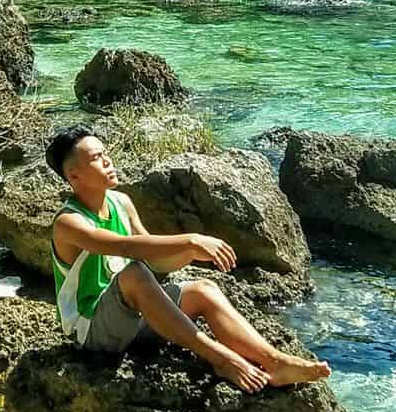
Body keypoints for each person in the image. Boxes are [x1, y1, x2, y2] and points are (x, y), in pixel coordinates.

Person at [46, 124, 332, 393]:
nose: (109, 161)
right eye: (98, 158)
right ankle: (221, 359)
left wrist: (189, 254)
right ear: (74, 176)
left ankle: (275, 362)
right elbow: (127, 247)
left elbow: (153, 263)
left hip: (132, 321)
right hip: (92, 333)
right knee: (133, 273)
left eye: (106, 153)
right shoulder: (69, 223)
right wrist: (190, 239)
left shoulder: (121, 202)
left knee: (203, 290)